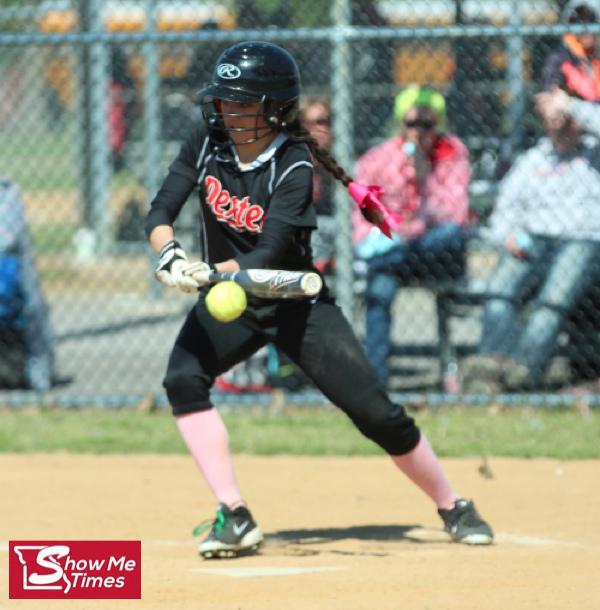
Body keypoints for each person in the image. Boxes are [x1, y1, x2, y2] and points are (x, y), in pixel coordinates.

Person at [145, 41, 493, 559]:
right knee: (182, 380)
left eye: (239, 102)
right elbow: (161, 208)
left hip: (296, 305)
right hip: (229, 301)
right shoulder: (206, 141)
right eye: (223, 100)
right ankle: (235, 515)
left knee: (376, 414)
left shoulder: (293, 163)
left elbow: (269, 251)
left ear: (272, 108)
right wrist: (171, 254)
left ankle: (452, 503)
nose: (225, 110)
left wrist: (208, 272)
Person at [462, 88, 600, 393]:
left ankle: (523, 374)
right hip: (534, 239)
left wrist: (572, 106)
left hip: (583, 240)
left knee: (551, 302)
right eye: (555, 119)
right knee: (499, 292)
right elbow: (504, 210)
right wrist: (507, 235)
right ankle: (492, 370)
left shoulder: (594, 153)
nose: (561, 125)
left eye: (566, 120)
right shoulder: (533, 159)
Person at [353, 85, 471, 387]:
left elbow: (454, 215)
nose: (420, 132)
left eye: (428, 125)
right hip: (393, 253)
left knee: (450, 235)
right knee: (379, 290)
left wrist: (424, 178)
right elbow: (363, 213)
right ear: (400, 123)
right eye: (412, 124)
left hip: (435, 253)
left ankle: (390, 257)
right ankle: (376, 384)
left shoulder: (451, 153)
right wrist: (379, 237)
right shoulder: (379, 158)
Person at [0, 177, 56, 390]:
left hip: (9, 280)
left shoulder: (6, 191)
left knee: (33, 306)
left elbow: (8, 240)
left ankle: (38, 374)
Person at [300, 97, 335, 273]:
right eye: (310, 123)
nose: (317, 129)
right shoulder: (293, 163)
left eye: (323, 122)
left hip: (337, 230)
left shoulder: (343, 163)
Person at [542, 0, 600, 101]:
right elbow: (553, 97)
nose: (584, 27)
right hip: (573, 114)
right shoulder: (560, 59)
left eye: (591, 20)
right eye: (577, 21)